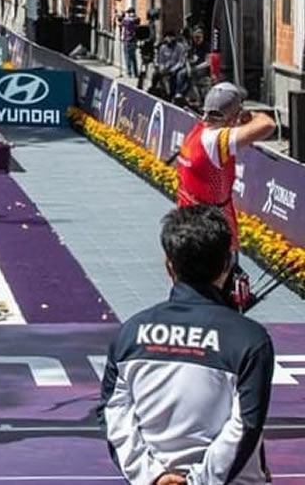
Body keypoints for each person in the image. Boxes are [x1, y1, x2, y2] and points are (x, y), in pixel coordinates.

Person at [99, 205, 274, 485]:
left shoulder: (129, 334)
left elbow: (114, 413)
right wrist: (196, 481)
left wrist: (152, 476)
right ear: (227, 264)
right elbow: (246, 425)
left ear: (168, 265)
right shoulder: (251, 339)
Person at [176, 82, 275, 306]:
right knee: (220, 293)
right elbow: (267, 125)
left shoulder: (197, 132)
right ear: (234, 115)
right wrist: (251, 115)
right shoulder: (215, 140)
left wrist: (236, 119)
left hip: (188, 221)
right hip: (212, 229)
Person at [117, 7, 139, 78]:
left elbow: (121, 21)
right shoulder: (136, 19)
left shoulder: (128, 20)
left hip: (128, 40)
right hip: (134, 41)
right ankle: (135, 73)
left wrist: (121, 15)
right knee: (133, 57)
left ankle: (129, 72)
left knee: (128, 57)